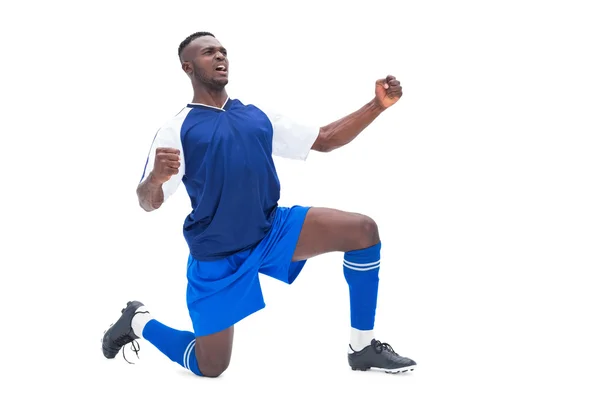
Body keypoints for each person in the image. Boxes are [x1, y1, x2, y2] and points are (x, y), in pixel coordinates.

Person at [101, 31, 416, 377]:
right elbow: (148, 203)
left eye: (223, 51)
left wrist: (376, 106)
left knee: (363, 231)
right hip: (218, 255)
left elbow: (325, 139)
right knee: (211, 366)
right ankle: (139, 320)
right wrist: (156, 180)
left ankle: (362, 347)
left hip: (271, 231)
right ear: (187, 67)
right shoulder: (177, 130)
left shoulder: (256, 116)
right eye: (209, 53)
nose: (220, 57)